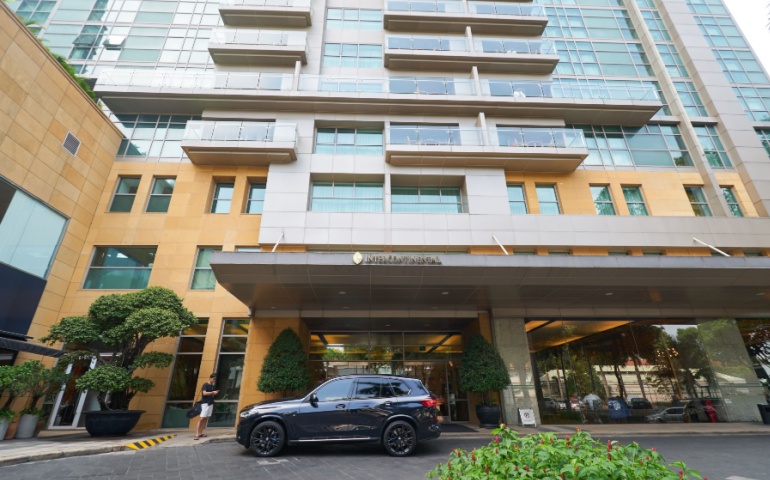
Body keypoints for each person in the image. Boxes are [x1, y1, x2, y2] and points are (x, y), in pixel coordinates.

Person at [195, 373, 219, 440]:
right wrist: (212, 392)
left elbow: (211, 394)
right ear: (210, 378)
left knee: (205, 418)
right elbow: (204, 393)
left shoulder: (212, 386)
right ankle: (197, 433)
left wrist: (214, 393)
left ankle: (200, 432)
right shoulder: (205, 385)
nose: (214, 380)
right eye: (213, 379)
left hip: (210, 403)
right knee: (202, 418)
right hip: (205, 404)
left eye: (215, 379)